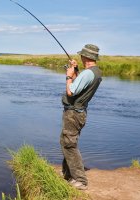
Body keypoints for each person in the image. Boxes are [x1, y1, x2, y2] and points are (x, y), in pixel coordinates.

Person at [60, 44, 102, 190]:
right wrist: (76, 70)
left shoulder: (88, 73)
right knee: (66, 142)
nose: (80, 57)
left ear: (86, 56)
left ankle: (80, 180)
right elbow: (80, 85)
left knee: (69, 144)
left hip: (74, 114)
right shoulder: (94, 72)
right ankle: (67, 173)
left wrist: (68, 75)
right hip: (78, 113)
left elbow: (71, 91)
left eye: (81, 55)